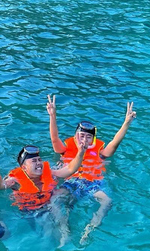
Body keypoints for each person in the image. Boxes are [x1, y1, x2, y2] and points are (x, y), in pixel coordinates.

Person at [48, 95, 136, 243]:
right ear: (75, 137)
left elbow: (115, 142)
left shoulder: (100, 153)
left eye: (88, 137)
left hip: (93, 183)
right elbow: (54, 138)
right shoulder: (65, 149)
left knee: (107, 201)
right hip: (71, 182)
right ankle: (64, 229)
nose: (84, 140)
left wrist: (126, 123)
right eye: (81, 136)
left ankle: (90, 228)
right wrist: (53, 115)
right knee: (53, 200)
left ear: (93, 140)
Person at [0, 142, 86, 246]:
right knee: (47, 228)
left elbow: (70, 169)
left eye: (39, 160)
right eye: (34, 161)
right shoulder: (16, 180)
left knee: (57, 204)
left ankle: (66, 235)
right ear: (24, 167)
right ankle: (55, 245)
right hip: (30, 211)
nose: (39, 163)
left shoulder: (49, 172)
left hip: (49, 203)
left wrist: (80, 152)